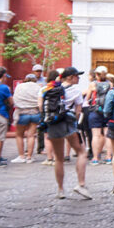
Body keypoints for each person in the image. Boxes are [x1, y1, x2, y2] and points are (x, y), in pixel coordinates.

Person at [40, 67, 92, 199]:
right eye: (76, 76)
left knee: (59, 158)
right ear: (70, 77)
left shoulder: (49, 89)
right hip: (68, 123)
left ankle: (60, 190)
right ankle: (81, 184)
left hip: (53, 123)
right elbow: (78, 111)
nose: (79, 78)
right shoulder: (76, 91)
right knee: (81, 152)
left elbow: (41, 107)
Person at [84, 66, 112, 165]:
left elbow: (87, 98)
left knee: (96, 135)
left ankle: (95, 158)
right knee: (108, 134)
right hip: (107, 112)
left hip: (95, 111)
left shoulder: (93, 84)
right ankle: (108, 157)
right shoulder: (110, 84)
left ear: (96, 74)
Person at [11, 73, 41, 163]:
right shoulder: (38, 87)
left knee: (19, 135)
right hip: (35, 113)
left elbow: (15, 99)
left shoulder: (20, 87)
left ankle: (21, 156)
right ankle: (29, 157)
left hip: (22, 112)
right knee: (31, 135)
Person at [32, 64, 47, 155]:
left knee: (41, 128)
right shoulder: (30, 80)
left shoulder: (44, 80)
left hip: (41, 105)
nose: (38, 73)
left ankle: (40, 147)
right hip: (33, 105)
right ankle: (27, 149)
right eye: (37, 71)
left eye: (40, 71)